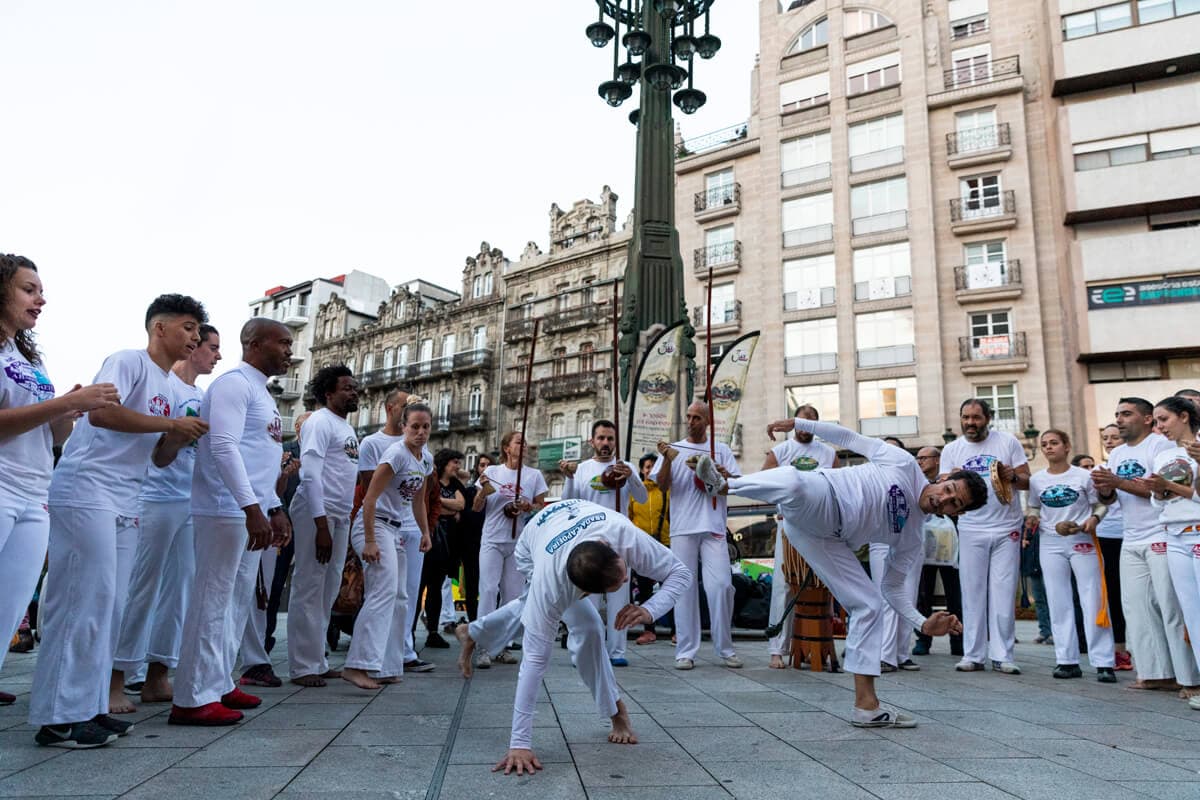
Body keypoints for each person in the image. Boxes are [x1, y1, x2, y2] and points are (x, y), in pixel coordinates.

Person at [695, 416, 985, 727]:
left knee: (869, 605)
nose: (944, 499)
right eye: (949, 489)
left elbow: (892, 588)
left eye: (954, 504)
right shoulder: (903, 463)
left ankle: (867, 707)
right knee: (795, 482)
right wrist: (799, 422)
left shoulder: (913, 538)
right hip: (822, 495)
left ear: (958, 513)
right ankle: (727, 485)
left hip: (826, 539)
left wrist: (922, 623)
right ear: (945, 477)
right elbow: (850, 438)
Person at [31, 294, 209, 746]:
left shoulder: (171, 388)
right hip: (86, 486)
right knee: (81, 599)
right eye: (187, 327)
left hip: (127, 496)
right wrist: (168, 427)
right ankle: (57, 716)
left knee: (110, 604)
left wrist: (182, 436)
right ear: (159, 328)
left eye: (197, 330)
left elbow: (161, 459)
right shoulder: (127, 361)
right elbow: (102, 411)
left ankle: (88, 706)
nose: (195, 337)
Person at [455, 499, 692, 775]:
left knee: (585, 626)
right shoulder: (552, 586)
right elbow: (532, 664)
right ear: (582, 593)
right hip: (531, 547)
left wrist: (649, 609)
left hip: (576, 515)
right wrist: (519, 744)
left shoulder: (621, 533)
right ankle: (617, 711)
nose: (627, 580)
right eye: (617, 584)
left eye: (622, 572)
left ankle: (473, 631)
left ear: (608, 547)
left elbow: (680, 573)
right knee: (586, 625)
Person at [0, 255, 120, 711]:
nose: (41, 299)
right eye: (29, 289)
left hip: (33, 491)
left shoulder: (25, 356)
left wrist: (69, 410)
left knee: (9, 610)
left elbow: (52, 436)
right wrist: (59, 406)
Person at [169, 318, 293, 726]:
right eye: (284, 343)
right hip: (225, 509)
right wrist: (250, 507)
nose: (291, 350)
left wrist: (273, 507)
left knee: (237, 602)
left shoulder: (262, 391)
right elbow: (223, 447)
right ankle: (191, 697)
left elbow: (261, 456)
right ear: (255, 344)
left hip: (250, 509)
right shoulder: (233, 384)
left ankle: (218, 682)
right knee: (211, 601)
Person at [112, 324, 222, 709]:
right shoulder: (164, 387)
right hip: (154, 497)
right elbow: (158, 454)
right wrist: (176, 433)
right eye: (211, 347)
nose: (216, 355)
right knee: (141, 588)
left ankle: (158, 674)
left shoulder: (203, 395)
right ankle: (117, 675)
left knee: (179, 593)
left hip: (188, 501)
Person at [1094, 397, 1200, 693]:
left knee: (1170, 607)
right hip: (1132, 535)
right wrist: (1105, 490)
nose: (1120, 419)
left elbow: (1162, 490)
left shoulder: (1161, 447)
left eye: (1126, 414)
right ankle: (1154, 673)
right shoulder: (1116, 454)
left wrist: (1117, 482)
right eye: (1117, 414)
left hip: (1162, 534)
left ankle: (1187, 676)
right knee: (1136, 608)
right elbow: (1115, 498)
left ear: (1146, 419)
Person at [342, 403, 433, 690]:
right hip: (374, 524)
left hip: (396, 530)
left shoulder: (425, 459)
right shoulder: (395, 454)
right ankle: (358, 665)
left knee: (401, 598)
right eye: (415, 426)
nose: (420, 432)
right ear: (404, 427)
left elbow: (418, 499)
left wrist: (424, 532)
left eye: (426, 426)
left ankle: (386, 666)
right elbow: (369, 498)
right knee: (383, 591)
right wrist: (369, 540)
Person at [940, 398, 1030, 674]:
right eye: (965, 417)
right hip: (970, 527)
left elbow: (1028, 480)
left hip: (1007, 527)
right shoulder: (952, 448)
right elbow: (942, 485)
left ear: (988, 418)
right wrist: (950, 478)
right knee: (972, 591)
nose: (970, 423)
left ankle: (1003, 655)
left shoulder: (1008, 442)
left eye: (976, 417)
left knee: (1003, 592)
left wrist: (1011, 475)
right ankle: (973, 654)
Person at [651, 401, 742, 670]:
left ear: (707, 421)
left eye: (697, 418)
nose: (690, 422)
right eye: (688, 416)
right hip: (682, 528)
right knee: (684, 589)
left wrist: (721, 473)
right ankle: (685, 650)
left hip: (713, 526)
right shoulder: (675, 448)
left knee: (722, 586)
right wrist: (668, 460)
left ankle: (725, 648)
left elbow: (733, 485)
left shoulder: (721, 449)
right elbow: (661, 485)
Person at [287, 365, 360, 687]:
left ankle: (317, 658)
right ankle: (302, 666)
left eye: (354, 387)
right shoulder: (319, 422)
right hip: (317, 513)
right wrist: (320, 526)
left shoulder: (345, 426)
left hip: (340, 515)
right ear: (328, 392)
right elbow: (310, 474)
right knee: (308, 586)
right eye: (346, 387)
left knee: (328, 589)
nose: (353, 392)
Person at [1025, 430, 1116, 682]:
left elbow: (1100, 504)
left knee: (1093, 597)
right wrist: (1032, 517)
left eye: (1054, 443)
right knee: (1058, 599)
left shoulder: (1084, 476)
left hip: (1081, 539)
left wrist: (1094, 519)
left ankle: (1104, 662)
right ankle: (1066, 660)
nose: (1048, 447)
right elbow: (1034, 506)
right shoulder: (1037, 480)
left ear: (1067, 446)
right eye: (1044, 444)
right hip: (1051, 541)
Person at [559, 419, 648, 667]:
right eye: (601, 438)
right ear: (592, 441)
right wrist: (568, 477)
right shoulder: (582, 469)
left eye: (610, 438)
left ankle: (617, 651)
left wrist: (631, 477)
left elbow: (641, 498)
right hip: (590, 542)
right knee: (588, 601)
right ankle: (586, 650)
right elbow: (568, 503)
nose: (606, 443)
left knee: (619, 598)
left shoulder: (625, 466)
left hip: (619, 540)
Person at [759, 404, 838, 669]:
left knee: (822, 584)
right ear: (794, 424)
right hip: (790, 525)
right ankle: (776, 649)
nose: (805, 429)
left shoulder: (828, 453)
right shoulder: (780, 451)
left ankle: (816, 644)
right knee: (783, 584)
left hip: (819, 527)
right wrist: (778, 508)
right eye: (801, 423)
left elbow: (839, 488)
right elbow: (764, 483)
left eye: (811, 424)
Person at [473, 431, 547, 668]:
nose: (524, 445)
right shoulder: (492, 472)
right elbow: (476, 507)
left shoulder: (534, 475)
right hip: (493, 539)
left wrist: (527, 506)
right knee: (488, 589)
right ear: (507, 447)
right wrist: (484, 490)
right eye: (519, 442)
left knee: (512, 593)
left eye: (525, 442)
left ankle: (503, 646)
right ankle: (483, 646)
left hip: (518, 542)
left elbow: (540, 507)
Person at [1145, 396, 1200, 708]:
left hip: (1198, 530)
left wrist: (1171, 487)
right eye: (1156, 420)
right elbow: (1159, 503)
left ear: (1183, 416)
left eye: (1163, 419)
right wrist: (1158, 490)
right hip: (1173, 533)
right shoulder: (1165, 454)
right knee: (1191, 614)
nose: (1159, 426)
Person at [870, 437, 922, 673]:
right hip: (881, 542)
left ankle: (902, 653)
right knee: (887, 596)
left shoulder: (913, 477)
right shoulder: (872, 476)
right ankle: (886, 654)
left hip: (910, 543)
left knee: (907, 597)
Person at [912, 446, 963, 657]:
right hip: (925, 547)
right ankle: (923, 638)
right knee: (923, 593)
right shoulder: (918, 483)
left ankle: (958, 640)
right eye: (918, 458)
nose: (920, 461)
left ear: (937, 459)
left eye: (924, 458)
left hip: (950, 547)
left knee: (955, 593)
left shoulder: (950, 482)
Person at [415, 448, 462, 650]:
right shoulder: (423, 480)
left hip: (439, 537)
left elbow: (458, 505)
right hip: (424, 534)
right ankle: (409, 631)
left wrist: (444, 509)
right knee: (418, 586)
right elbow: (424, 506)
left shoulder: (449, 483)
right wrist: (446, 509)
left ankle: (433, 631)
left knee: (435, 586)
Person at [1094, 423, 1130, 669]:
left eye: (1114, 437)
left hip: (1133, 533)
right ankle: (1119, 649)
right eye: (1105, 437)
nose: (1109, 441)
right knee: (1113, 593)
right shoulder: (1099, 469)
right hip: (1106, 535)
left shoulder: (1134, 462)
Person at [627, 453, 670, 645]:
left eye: (653, 466)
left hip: (665, 543)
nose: (649, 469)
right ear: (642, 470)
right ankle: (649, 630)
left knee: (668, 588)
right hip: (642, 545)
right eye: (646, 467)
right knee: (644, 590)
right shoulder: (634, 493)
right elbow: (628, 518)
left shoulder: (665, 491)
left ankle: (676, 630)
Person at [456, 454, 491, 622]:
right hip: (472, 545)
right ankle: (473, 622)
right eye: (482, 465)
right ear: (477, 468)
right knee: (472, 586)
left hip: (493, 542)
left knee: (491, 587)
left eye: (489, 465)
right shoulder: (469, 491)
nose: (485, 468)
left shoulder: (500, 492)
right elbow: (466, 517)